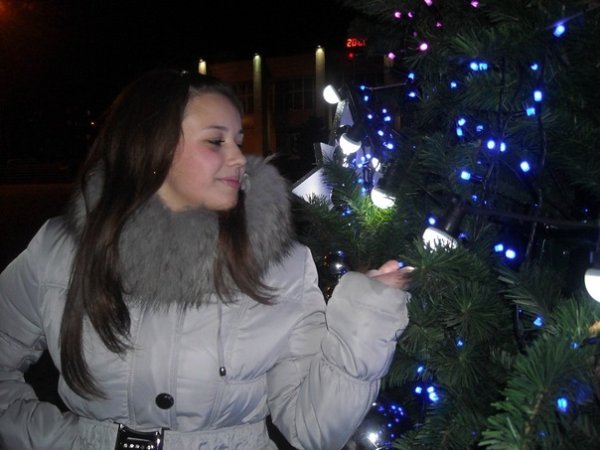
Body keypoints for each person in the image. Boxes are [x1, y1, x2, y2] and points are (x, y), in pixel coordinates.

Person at [0, 69, 413, 450]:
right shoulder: (62, 250)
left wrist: (365, 318)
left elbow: (313, 429)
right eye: (216, 141)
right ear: (153, 147)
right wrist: (57, 440)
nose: (239, 157)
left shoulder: (278, 265)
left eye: (237, 141)